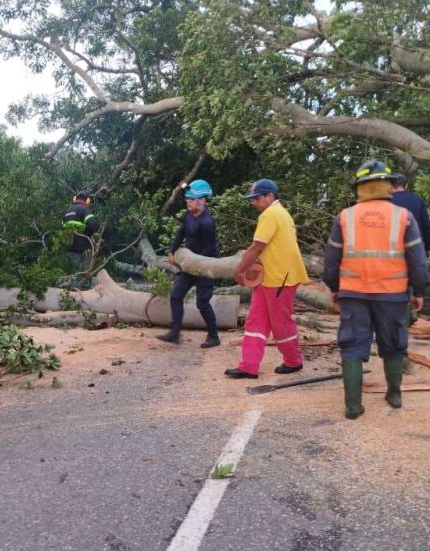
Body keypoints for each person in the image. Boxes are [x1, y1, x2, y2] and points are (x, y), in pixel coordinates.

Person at [322, 159, 428, 420]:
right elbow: (417, 261)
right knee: (393, 345)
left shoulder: (344, 217)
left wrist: (336, 289)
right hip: (392, 295)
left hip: (353, 294)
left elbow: (331, 263)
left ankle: (353, 406)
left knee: (352, 346)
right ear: (388, 185)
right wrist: (418, 291)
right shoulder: (404, 217)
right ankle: (394, 394)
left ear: (359, 187)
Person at [225, 179, 309, 379]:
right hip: (270, 277)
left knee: (280, 322)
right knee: (256, 320)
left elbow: (257, 246)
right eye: (253, 198)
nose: (254, 201)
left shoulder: (271, 214)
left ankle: (293, 361)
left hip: (281, 278)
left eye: (257, 197)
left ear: (270, 196)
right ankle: (248, 366)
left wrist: (240, 270)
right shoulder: (280, 213)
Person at [156, 179, 220, 348]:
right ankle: (174, 333)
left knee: (202, 302)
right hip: (189, 266)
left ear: (202, 200)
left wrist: (194, 263)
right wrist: (172, 250)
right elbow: (181, 232)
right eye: (187, 199)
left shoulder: (207, 223)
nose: (188, 202)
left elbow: (210, 250)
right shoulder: (189, 216)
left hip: (206, 267)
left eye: (191, 199)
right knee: (176, 296)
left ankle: (213, 336)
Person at [62, 191, 99, 286]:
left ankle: (70, 295)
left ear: (75, 199)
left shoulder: (67, 211)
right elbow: (94, 225)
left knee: (71, 274)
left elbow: (61, 229)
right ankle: (83, 294)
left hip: (69, 248)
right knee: (84, 275)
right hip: (83, 249)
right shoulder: (84, 210)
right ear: (87, 200)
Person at [390, 173, 430, 255]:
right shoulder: (418, 200)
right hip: (416, 245)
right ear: (406, 185)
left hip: (393, 247)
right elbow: (426, 225)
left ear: (391, 186)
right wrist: (427, 248)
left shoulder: (386, 201)